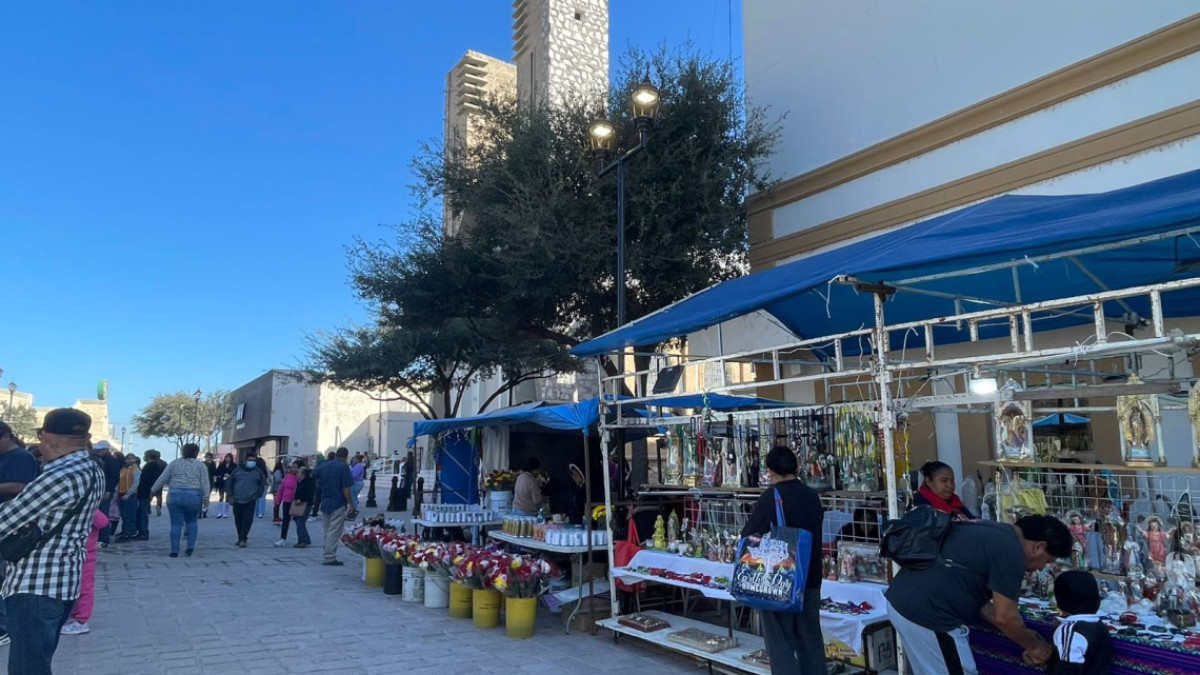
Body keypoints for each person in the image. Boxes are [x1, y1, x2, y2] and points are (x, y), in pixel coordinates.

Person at [886, 514, 1072, 674]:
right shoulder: (1012, 552)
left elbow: (979, 600)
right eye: (1046, 562)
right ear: (1039, 546)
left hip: (905, 602)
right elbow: (1005, 617)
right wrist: (1034, 646)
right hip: (929, 616)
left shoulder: (992, 530)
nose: (1040, 568)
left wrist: (1023, 633)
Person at [0, 408, 105, 675]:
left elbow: (5, 521)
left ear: (48, 437)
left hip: (34, 584)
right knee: (38, 661)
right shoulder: (92, 469)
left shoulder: (60, 475)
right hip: (64, 582)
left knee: (27, 667)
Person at [740, 446, 826, 675]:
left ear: (770, 471)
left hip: (780, 578)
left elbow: (748, 534)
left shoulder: (772, 497)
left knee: (781, 644)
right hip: (810, 577)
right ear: (796, 467)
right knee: (811, 640)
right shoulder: (812, 495)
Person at [0, 421, 40, 645]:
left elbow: (22, 487)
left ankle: (3, 627)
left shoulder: (21, 458)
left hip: (10, 526)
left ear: (6, 436)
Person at [151, 443, 210, 557]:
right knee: (192, 522)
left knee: (176, 524)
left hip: (175, 495)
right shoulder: (200, 465)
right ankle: (190, 548)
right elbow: (204, 481)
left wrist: (153, 490)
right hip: (193, 496)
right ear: (195, 453)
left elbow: (162, 478)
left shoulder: (174, 463)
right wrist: (206, 496)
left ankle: (174, 550)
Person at [1049, 570, 1112, 674]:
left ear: (1059, 601)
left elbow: (1067, 669)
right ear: (1098, 600)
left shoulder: (1071, 630)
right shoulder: (1099, 626)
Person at [60, 507, 108, 636]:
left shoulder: (88, 507)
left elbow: (103, 522)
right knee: (74, 585)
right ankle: (75, 614)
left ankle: (81, 621)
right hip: (74, 552)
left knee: (85, 587)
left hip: (86, 553)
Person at [314, 447, 353, 565]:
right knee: (334, 530)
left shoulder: (325, 465)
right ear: (346, 456)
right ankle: (329, 556)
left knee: (327, 529)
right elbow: (346, 488)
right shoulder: (344, 467)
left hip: (325, 500)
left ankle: (327, 552)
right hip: (338, 502)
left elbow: (313, 473)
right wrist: (351, 504)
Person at [227, 453, 266, 547]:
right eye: (250, 460)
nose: (251, 462)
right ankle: (240, 536)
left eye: (254, 460)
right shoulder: (237, 471)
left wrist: (257, 495)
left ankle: (243, 538)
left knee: (247, 520)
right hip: (237, 499)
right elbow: (230, 483)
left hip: (250, 500)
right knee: (238, 520)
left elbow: (262, 484)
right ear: (245, 460)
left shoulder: (258, 472)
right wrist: (230, 496)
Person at [134, 450, 166, 540]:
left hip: (145, 492)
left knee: (143, 513)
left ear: (148, 456)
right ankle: (140, 530)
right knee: (141, 512)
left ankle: (143, 532)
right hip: (146, 491)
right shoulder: (156, 465)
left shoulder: (151, 465)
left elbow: (147, 480)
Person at [115, 454, 141, 540]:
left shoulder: (136, 469)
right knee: (123, 514)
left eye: (131, 458)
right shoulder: (123, 469)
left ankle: (128, 532)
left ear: (135, 459)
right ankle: (124, 530)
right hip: (121, 493)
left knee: (128, 514)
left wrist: (128, 494)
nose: (129, 460)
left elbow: (136, 484)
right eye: (128, 459)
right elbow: (119, 480)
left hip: (130, 495)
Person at [273, 462, 298, 547]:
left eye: (296, 468)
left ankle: (300, 538)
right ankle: (283, 538)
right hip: (286, 501)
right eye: (293, 467)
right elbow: (281, 488)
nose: (294, 469)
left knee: (298, 521)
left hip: (296, 502)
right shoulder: (287, 476)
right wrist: (278, 500)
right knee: (285, 521)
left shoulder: (300, 478)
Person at [291, 466, 315, 548]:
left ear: (303, 474)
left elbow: (309, 495)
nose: (297, 474)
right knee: (298, 522)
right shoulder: (300, 482)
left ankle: (304, 540)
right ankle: (301, 539)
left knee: (300, 522)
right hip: (298, 504)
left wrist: (300, 499)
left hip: (305, 505)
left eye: (299, 473)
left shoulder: (308, 482)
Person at [212, 454, 235, 519]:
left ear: (231, 458)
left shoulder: (234, 466)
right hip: (221, 482)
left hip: (230, 483)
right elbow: (216, 473)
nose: (228, 458)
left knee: (227, 497)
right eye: (226, 457)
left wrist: (230, 475)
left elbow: (235, 474)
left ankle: (225, 513)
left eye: (229, 457)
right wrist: (222, 475)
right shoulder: (221, 465)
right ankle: (220, 512)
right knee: (221, 496)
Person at [201, 453, 216, 518]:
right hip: (202, 482)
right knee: (201, 497)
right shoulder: (202, 464)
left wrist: (210, 465)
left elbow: (214, 473)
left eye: (210, 457)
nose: (209, 458)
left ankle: (205, 512)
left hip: (209, 482)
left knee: (206, 498)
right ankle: (199, 511)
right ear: (205, 457)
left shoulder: (213, 464)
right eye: (207, 457)